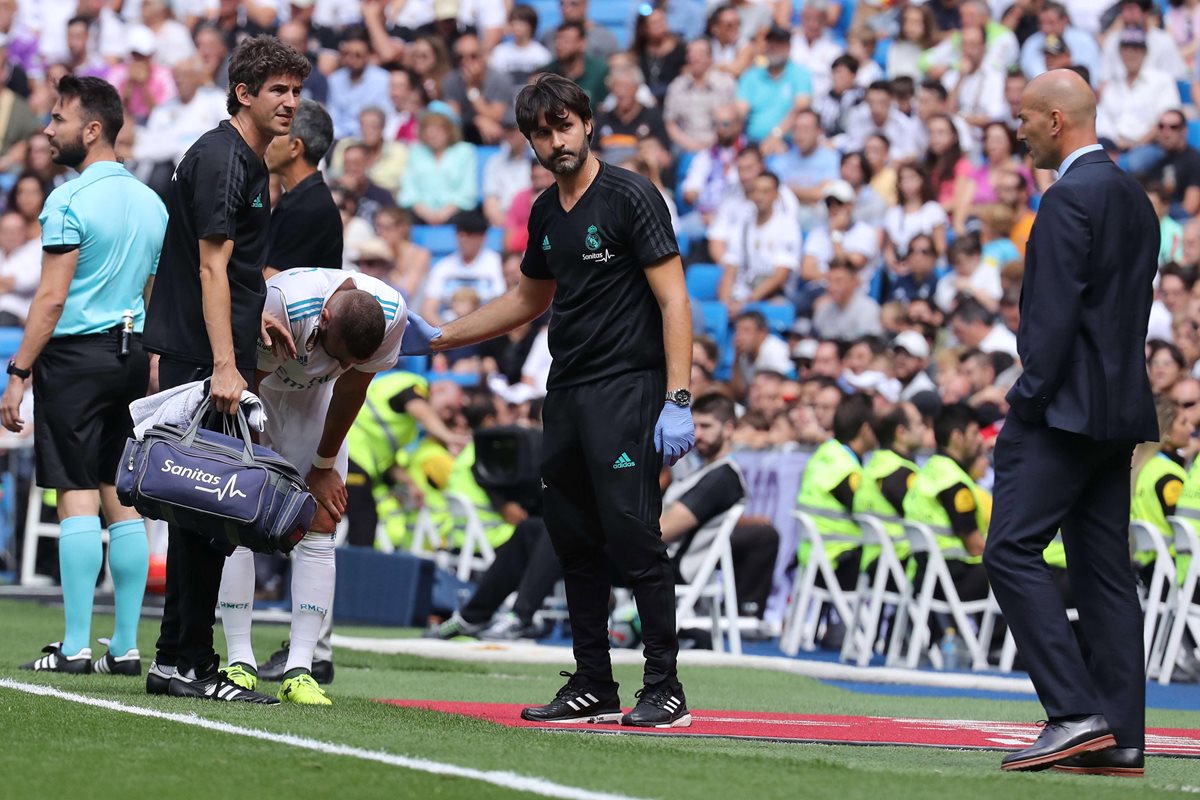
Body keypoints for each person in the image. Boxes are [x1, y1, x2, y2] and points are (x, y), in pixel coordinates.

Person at [401, 73, 695, 728]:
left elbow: (675, 297)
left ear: (587, 123)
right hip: (564, 392)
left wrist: (678, 396)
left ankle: (665, 687)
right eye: (541, 131)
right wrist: (441, 337)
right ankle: (594, 681)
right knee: (571, 539)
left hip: (629, 388)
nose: (554, 141)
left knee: (631, 534)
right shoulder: (542, 212)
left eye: (563, 126)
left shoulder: (631, 196)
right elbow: (528, 300)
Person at [983, 69, 1160, 776]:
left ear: (1056, 120)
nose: (1017, 131)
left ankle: (1072, 711)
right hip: (1118, 413)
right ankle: (1122, 737)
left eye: (1025, 118)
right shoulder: (1135, 199)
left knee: (1009, 551)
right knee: (1104, 573)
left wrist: (1025, 399)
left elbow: (1050, 324)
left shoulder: (1064, 201)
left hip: (1059, 413)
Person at [142, 35, 311, 705]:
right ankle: (188, 660)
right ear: (244, 92)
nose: (291, 102)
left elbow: (234, 271)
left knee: (204, 516)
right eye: (278, 90)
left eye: (296, 91)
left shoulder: (244, 159)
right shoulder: (222, 160)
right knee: (206, 514)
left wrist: (259, 312)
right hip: (204, 357)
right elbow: (211, 266)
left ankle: (176, 659)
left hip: (219, 349)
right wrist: (224, 362)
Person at [3, 76, 166, 675]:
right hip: (130, 355)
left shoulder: (67, 201)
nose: (48, 129)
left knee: (75, 497)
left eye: (58, 119)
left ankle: (74, 645)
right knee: (121, 499)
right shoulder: (152, 203)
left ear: (91, 130)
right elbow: (152, 293)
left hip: (73, 359)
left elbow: (49, 301)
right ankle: (124, 647)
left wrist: (18, 372)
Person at [216, 268, 407, 706]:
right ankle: (239, 660)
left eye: (348, 361)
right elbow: (251, 379)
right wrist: (256, 460)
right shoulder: (286, 303)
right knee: (240, 514)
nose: (337, 365)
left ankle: (300, 668)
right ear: (322, 319)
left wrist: (323, 465)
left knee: (322, 522)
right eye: (333, 354)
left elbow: (352, 388)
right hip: (257, 391)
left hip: (318, 402)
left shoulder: (393, 315)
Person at [263, 99, 341, 276]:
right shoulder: (298, 199)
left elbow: (271, 285)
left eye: (277, 132)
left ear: (295, 147)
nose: (267, 140)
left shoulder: (310, 208)